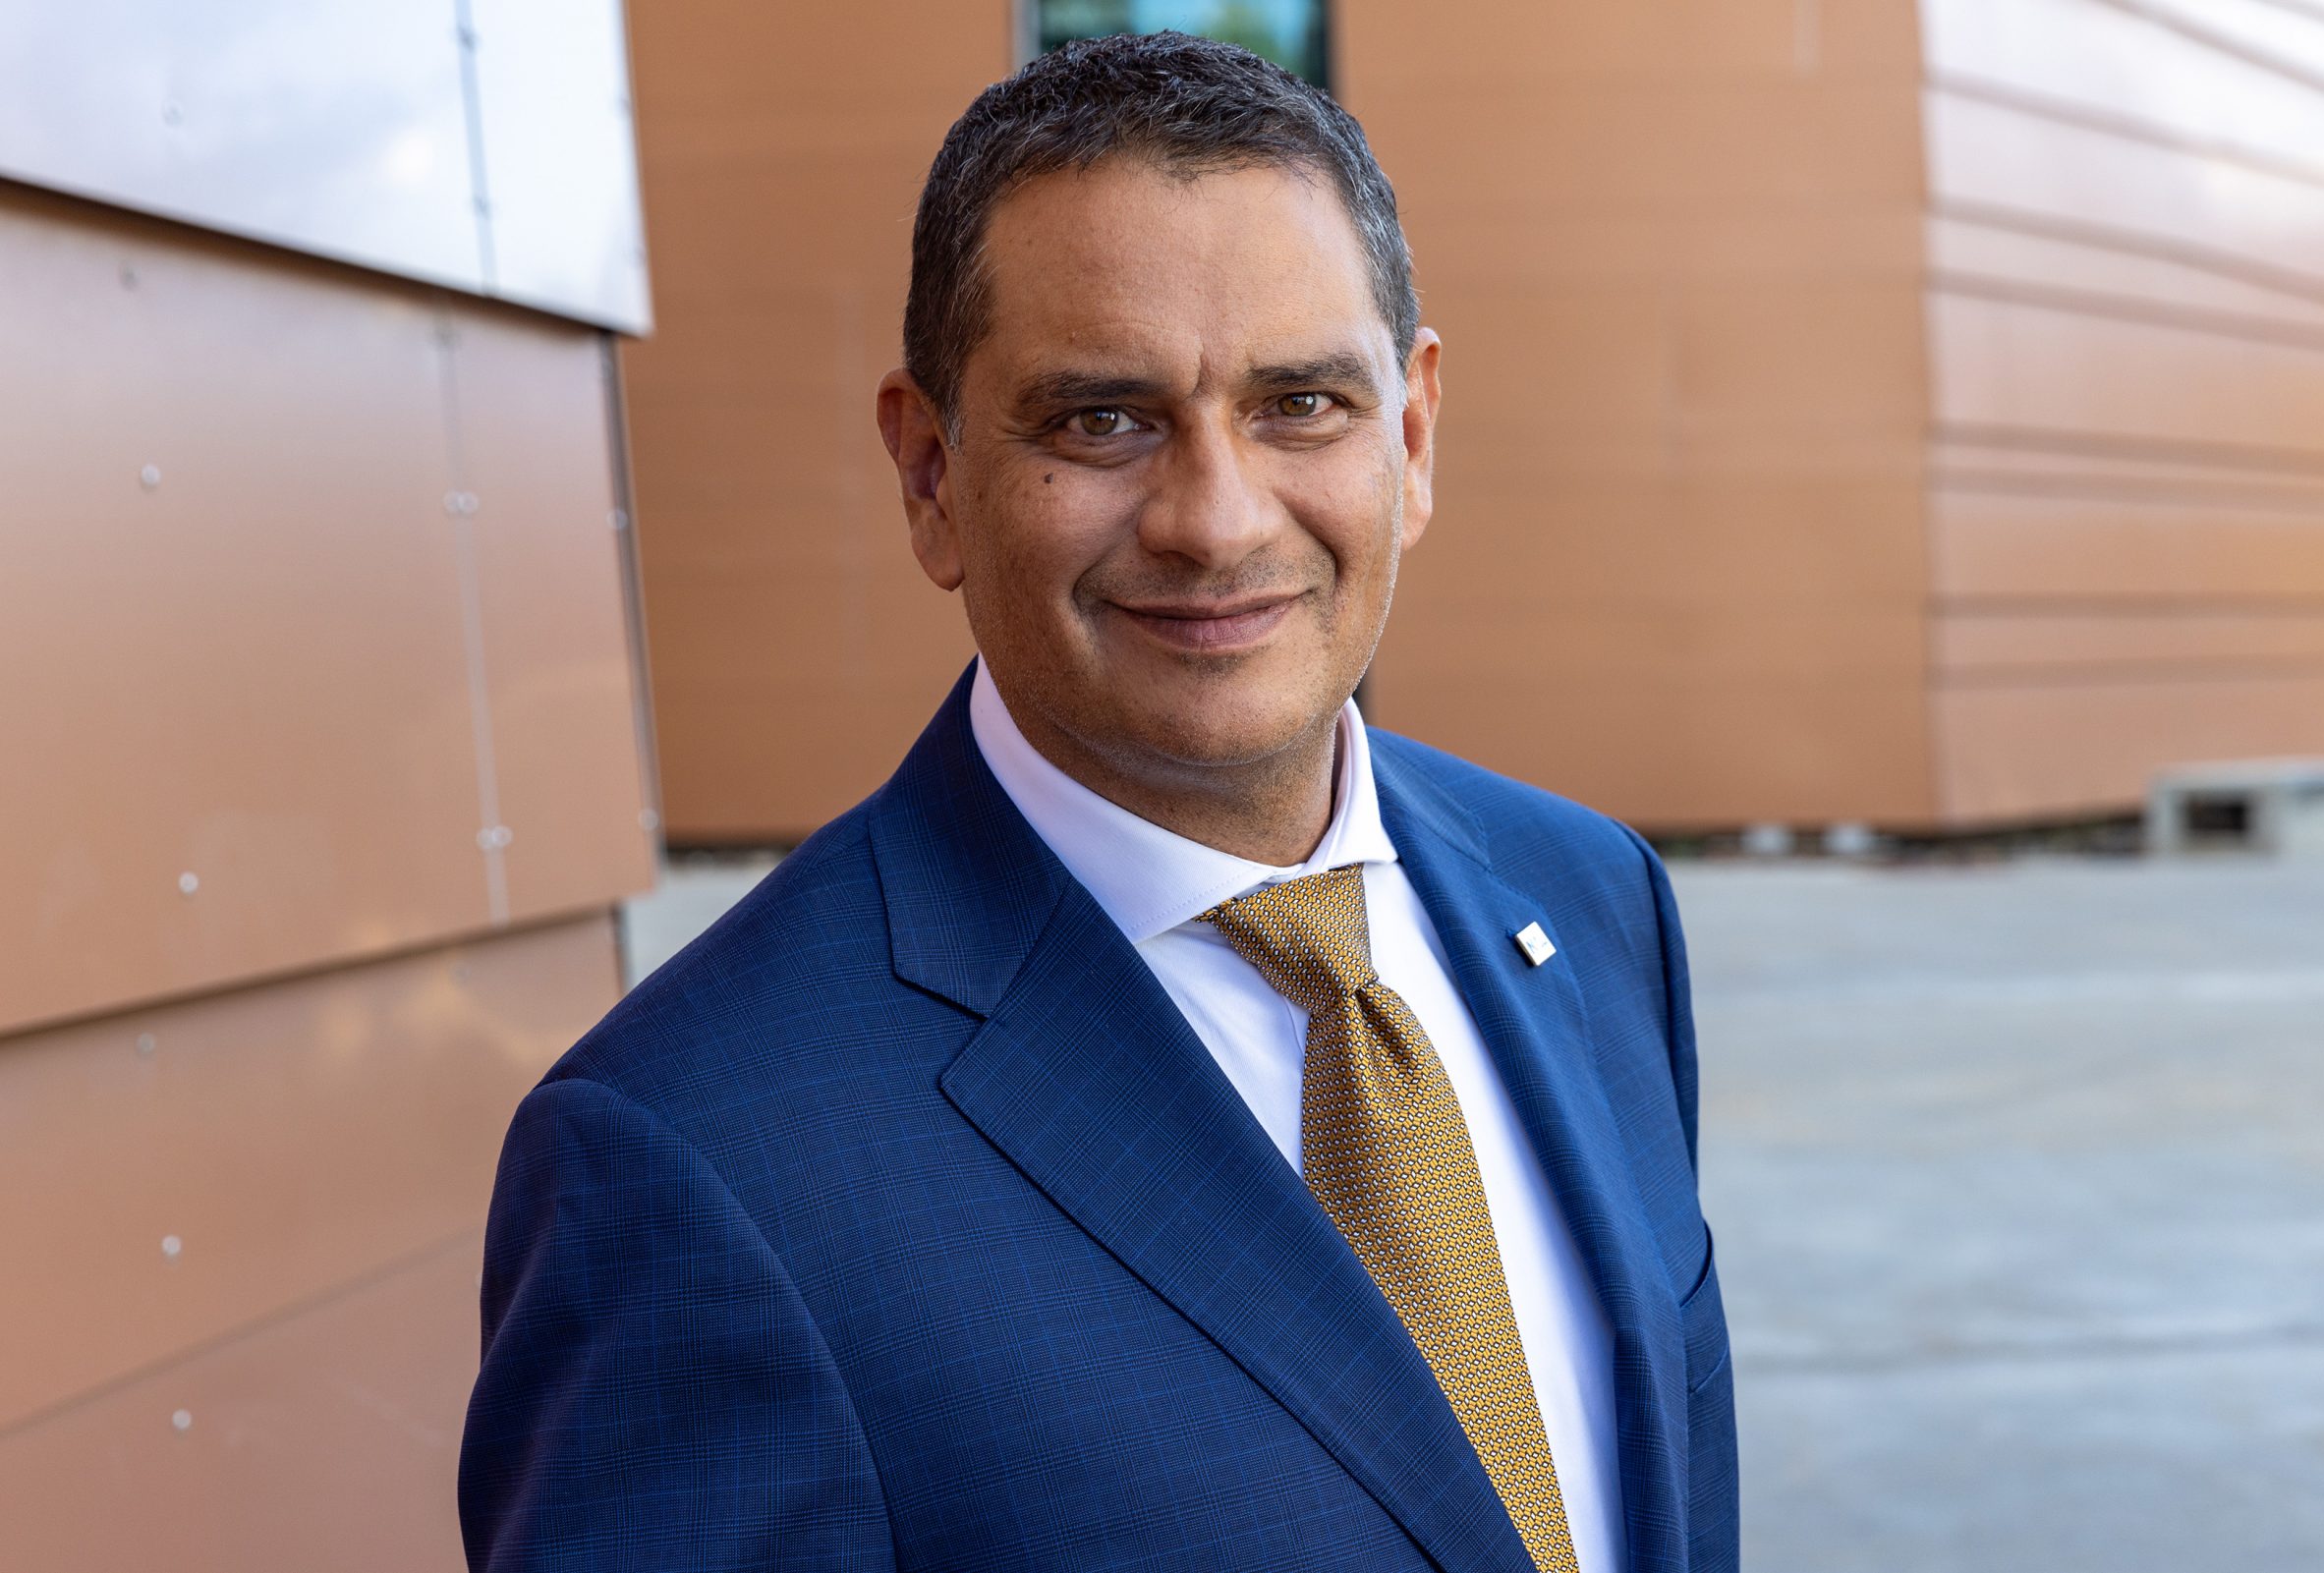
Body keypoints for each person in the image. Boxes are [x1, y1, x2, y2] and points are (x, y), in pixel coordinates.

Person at [459, 31, 1733, 1573]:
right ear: (931, 474)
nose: (1215, 518)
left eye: (1303, 404)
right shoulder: (695, 1160)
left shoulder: (1592, 901)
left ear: (1413, 435)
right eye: (1102, 421)